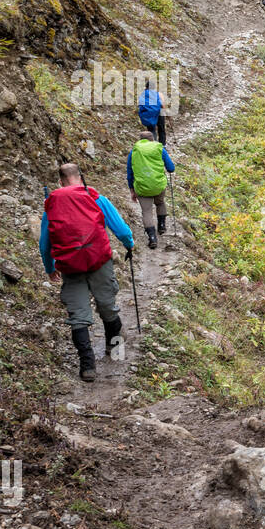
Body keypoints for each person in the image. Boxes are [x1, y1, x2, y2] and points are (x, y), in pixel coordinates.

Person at [40, 163, 134, 382]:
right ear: (80, 178)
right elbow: (120, 229)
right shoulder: (94, 198)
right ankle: (113, 346)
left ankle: (87, 366)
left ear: (61, 181)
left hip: (70, 267)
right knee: (107, 306)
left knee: (78, 316)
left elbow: (45, 245)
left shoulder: (52, 204)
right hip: (99, 261)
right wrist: (129, 244)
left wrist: (50, 267)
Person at [127, 130, 176, 249]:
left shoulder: (134, 152)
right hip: (158, 185)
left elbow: (130, 172)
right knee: (160, 203)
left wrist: (132, 190)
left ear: (140, 140)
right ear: (152, 139)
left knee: (147, 211)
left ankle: (152, 238)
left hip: (142, 187)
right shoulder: (160, 149)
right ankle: (162, 226)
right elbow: (171, 168)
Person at [138, 79, 165, 145]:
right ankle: (163, 144)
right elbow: (163, 105)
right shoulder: (158, 94)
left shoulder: (142, 95)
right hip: (159, 113)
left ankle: (154, 144)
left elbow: (140, 105)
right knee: (161, 128)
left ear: (146, 87)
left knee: (152, 130)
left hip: (148, 115)